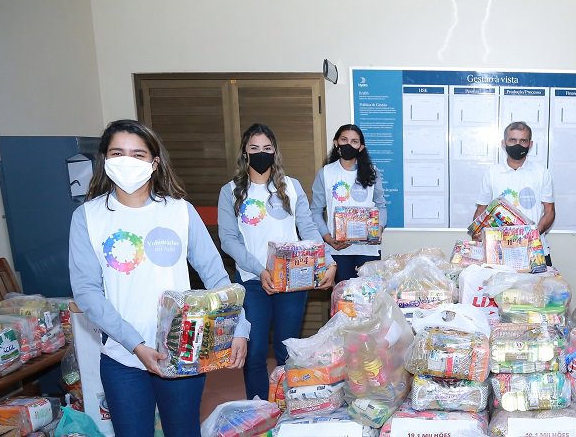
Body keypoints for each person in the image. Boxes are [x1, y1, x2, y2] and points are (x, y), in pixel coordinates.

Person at [69, 119, 250, 436]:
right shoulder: (88, 217)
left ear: (154, 163)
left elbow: (216, 276)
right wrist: (135, 344)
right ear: (105, 160)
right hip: (123, 356)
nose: (127, 161)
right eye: (117, 153)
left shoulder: (180, 211)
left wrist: (239, 327)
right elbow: (87, 292)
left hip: (183, 351)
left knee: (183, 431)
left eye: (138, 154)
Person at [218, 123, 337, 400]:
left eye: (267, 148)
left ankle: (287, 405)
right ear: (245, 153)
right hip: (252, 282)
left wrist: (328, 261)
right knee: (255, 351)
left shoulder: (291, 187)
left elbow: (308, 230)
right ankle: (258, 410)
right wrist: (260, 270)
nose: (262, 153)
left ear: (275, 152)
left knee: (287, 349)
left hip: (292, 282)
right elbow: (228, 240)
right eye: (255, 148)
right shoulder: (231, 191)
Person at [311, 124, 387, 283]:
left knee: (368, 299)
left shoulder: (372, 172)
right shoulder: (325, 173)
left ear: (361, 147)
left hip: (368, 250)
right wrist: (327, 238)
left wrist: (378, 229)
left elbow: (381, 206)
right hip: (337, 249)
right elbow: (315, 211)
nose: (348, 144)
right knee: (342, 299)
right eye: (344, 140)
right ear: (336, 142)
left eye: (354, 141)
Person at [474, 121, 555, 265]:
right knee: (501, 288)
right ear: (503, 143)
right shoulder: (492, 173)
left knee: (538, 288)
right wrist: (477, 234)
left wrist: (535, 233)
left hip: (535, 251)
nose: (518, 145)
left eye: (523, 141)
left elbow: (549, 211)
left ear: (530, 144)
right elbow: (481, 210)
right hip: (498, 253)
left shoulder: (541, 173)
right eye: (513, 140)